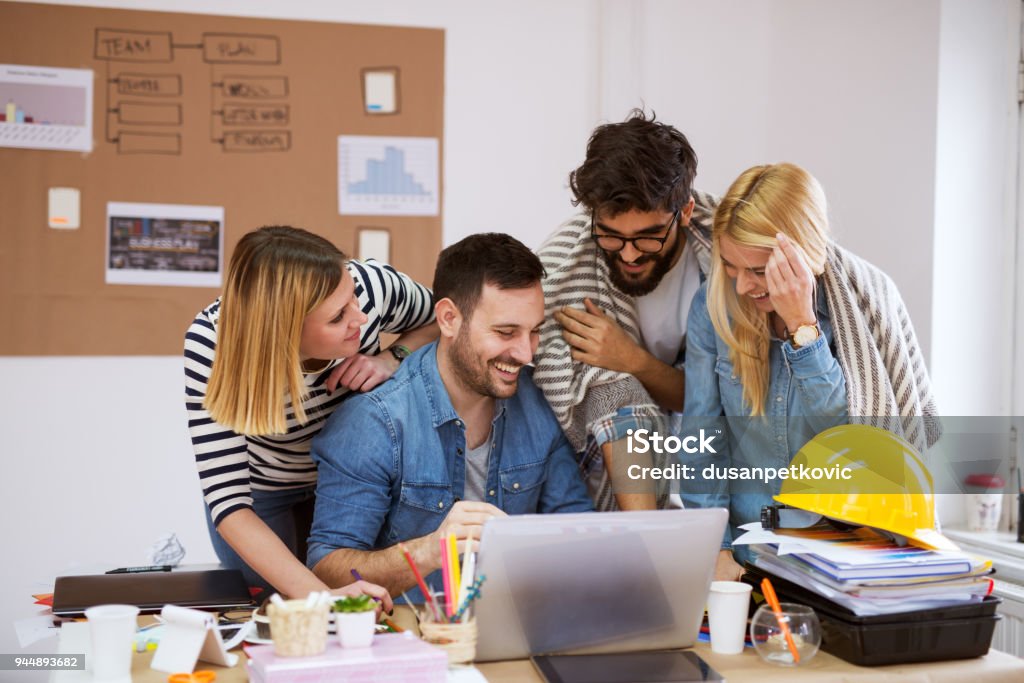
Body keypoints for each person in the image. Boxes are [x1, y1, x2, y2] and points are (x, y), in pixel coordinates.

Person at [680, 163, 940, 581]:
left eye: (759, 271)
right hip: (745, 557)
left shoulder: (866, 307)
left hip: (841, 559)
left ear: (801, 254)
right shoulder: (713, 310)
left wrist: (804, 329)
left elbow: (857, 445)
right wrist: (718, 550)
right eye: (730, 266)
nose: (743, 285)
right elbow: (701, 440)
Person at [307, 233, 593, 596]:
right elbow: (327, 568)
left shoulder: (539, 403)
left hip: (515, 629)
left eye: (534, 332)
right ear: (448, 319)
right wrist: (430, 550)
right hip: (414, 634)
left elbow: (580, 534)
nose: (525, 353)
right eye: (506, 332)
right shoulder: (375, 421)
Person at [183, 225, 436, 602]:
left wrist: (392, 356)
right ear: (283, 332)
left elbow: (444, 318)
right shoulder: (213, 345)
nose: (361, 318)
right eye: (338, 318)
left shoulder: (370, 288)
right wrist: (321, 599)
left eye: (352, 299)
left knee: (373, 597)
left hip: (352, 479)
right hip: (264, 492)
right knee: (277, 604)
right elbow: (231, 502)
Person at [533, 109, 718, 511]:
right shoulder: (566, 261)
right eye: (612, 236)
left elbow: (713, 399)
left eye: (649, 238)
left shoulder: (723, 270)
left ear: (684, 212)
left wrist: (630, 359)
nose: (630, 254)